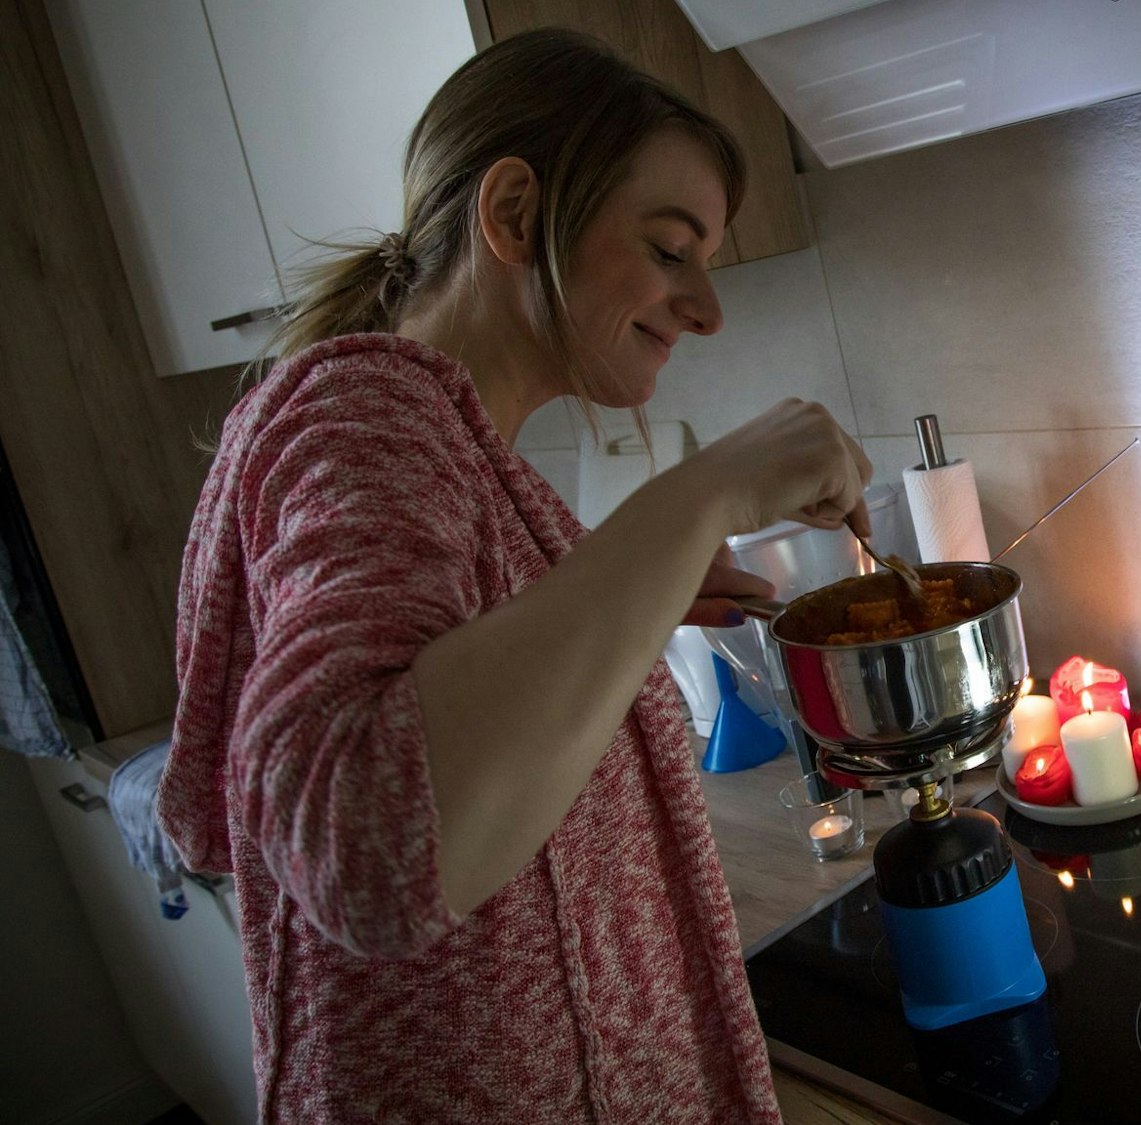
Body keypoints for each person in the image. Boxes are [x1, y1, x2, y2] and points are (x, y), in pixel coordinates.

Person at [157, 29, 870, 1123]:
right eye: (669, 249)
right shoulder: (366, 418)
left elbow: (450, 689)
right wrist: (703, 495)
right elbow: (365, 843)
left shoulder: (458, 450)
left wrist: (629, 594)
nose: (706, 308)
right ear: (515, 214)